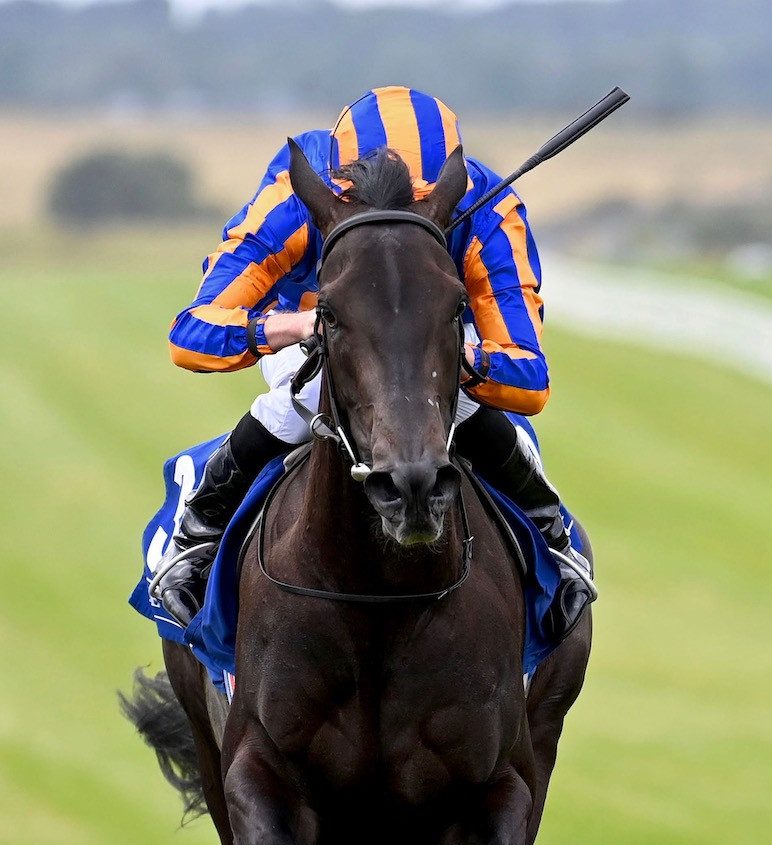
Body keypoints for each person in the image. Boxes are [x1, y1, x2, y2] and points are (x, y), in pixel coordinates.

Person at [150, 86, 594, 637]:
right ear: (340, 187)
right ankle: (199, 531)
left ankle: (553, 537)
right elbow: (191, 335)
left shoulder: (489, 211)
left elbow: (528, 377)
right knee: (304, 398)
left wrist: (445, 350)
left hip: (436, 348)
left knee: (450, 406)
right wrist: (294, 327)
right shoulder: (296, 198)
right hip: (320, 334)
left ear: (447, 197)